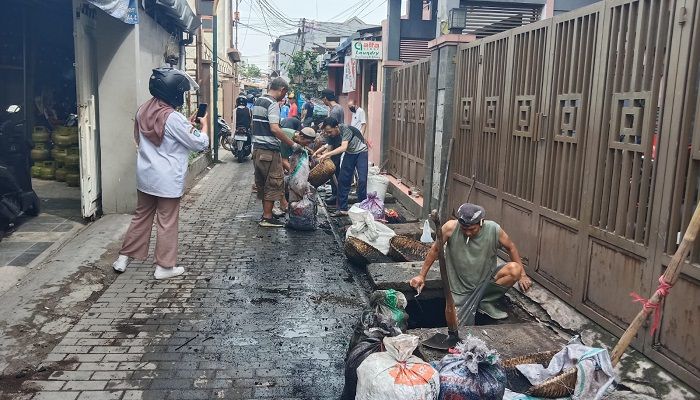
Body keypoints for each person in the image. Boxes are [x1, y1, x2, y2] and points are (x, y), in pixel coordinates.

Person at [112, 67, 209, 279]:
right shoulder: (173, 118)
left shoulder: (142, 110)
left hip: (146, 176)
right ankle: (164, 267)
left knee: (141, 217)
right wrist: (204, 126)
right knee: (166, 221)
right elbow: (200, 144)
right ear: (173, 91)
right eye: (181, 92)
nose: (182, 96)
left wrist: (186, 126)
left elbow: (140, 139)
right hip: (166, 180)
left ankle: (123, 258)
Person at [409, 203, 532, 322]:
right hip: (459, 290)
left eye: (472, 229)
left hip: (485, 282)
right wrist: (422, 275)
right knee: (458, 329)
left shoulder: (494, 229)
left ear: (481, 222)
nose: (468, 232)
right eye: (464, 229)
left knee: (515, 269)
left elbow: (511, 247)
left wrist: (523, 276)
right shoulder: (450, 228)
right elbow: (435, 249)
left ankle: (486, 302)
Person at [252, 77, 301, 227]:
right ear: (282, 90)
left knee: (262, 183)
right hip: (268, 150)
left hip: (257, 150)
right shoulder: (273, 104)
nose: (284, 97)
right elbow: (274, 128)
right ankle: (267, 218)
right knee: (273, 183)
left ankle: (267, 213)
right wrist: (292, 144)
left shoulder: (258, 101)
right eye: (284, 94)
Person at [314, 117, 368, 216]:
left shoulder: (346, 129)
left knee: (362, 180)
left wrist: (326, 154)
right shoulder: (331, 135)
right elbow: (329, 148)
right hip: (350, 153)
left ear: (336, 127)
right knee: (343, 180)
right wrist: (322, 156)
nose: (329, 134)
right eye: (327, 132)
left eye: (330, 131)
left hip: (361, 152)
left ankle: (363, 207)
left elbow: (343, 147)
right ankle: (342, 209)